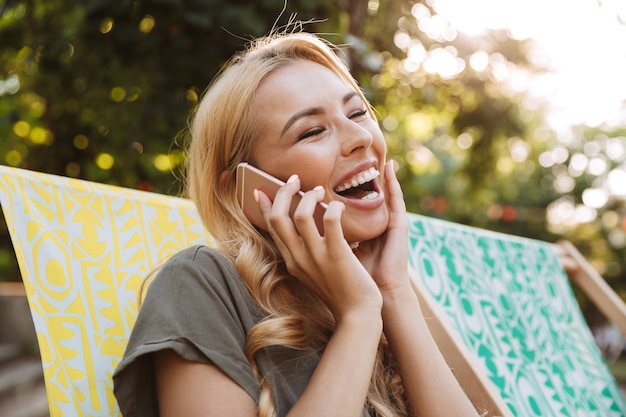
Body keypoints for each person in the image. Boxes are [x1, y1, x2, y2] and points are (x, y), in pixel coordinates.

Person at [113, 30, 480, 417]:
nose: (360, 137)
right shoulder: (201, 282)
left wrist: (394, 292)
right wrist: (358, 316)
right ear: (246, 190)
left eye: (357, 113)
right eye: (312, 131)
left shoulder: (387, 292)